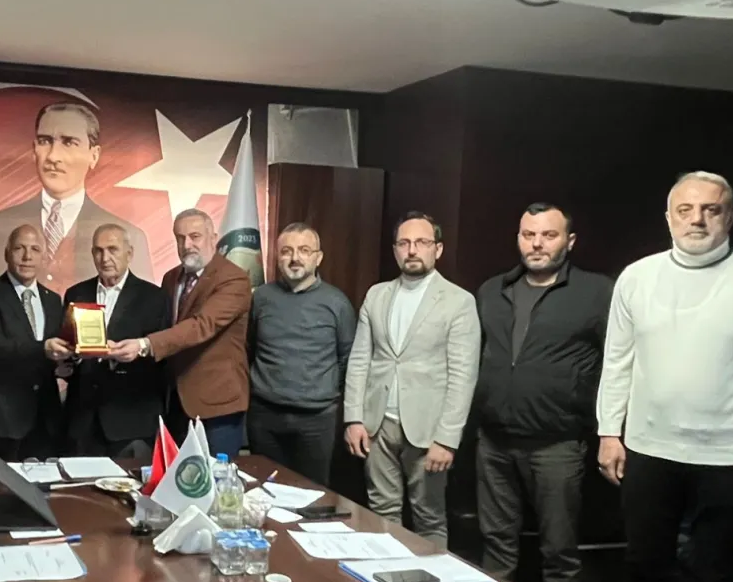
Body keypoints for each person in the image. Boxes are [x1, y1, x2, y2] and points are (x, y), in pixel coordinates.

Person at [597, 171, 733, 582]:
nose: (697, 219)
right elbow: (617, 360)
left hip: (726, 455)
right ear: (668, 218)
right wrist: (609, 431)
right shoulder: (638, 276)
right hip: (649, 448)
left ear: (729, 217)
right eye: (685, 210)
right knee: (644, 569)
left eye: (711, 209)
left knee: (719, 579)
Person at [475, 203, 611, 582]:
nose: (536, 243)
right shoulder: (492, 290)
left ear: (570, 241)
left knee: (559, 550)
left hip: (557, 444)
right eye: (528, 234)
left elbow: (620, 362)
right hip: (494, 441)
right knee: (496, 544)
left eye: (548, 235)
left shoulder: (597, 293)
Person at [343, 211, 480, 550]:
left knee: (429, 517)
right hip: (377, 426)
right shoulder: (377, 295)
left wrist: (447, 439)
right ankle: (384, 577)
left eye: (421, 242)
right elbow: (360, 359)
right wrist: (353, 418)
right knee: (381, 511)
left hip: (428, 431)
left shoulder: (459, 301)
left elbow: (463, 376)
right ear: (395, 250)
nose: (412, 250)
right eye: (404, 243)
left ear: (438, 249)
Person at [107, 209, 251, 458]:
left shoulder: (234, 279)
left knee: (212, 478)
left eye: (195, 236)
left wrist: (143, 345)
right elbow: (165, 327)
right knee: (174, 477)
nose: (186, 245)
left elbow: (201, 325)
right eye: (180, 238)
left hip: (217, 405)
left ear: (213, 238)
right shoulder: (172, 278)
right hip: (175, 402)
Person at [0, 102, 151, 291]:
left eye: (69, 143)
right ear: (34, 150)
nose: (53, 156)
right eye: (45, 141)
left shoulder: (132, 237)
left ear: (94, 155)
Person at [247, 223, 355, 486]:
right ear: (277, 257)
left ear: (318, 258)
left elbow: (347, 359)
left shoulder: (337, 303)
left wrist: (320, 390)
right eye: (287, 251)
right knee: (264, 492)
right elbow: (250, 346)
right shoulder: (261, 297)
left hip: (316, 421)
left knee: (311, 494)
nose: (295, 258)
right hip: (265, 416)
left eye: (304, 250)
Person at [55, 224, 169, 460]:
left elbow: (163, 358)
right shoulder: (76, 293)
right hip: (82, 421)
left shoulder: (154, 297)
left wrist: (126, 355)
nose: (105, 258)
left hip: (131, 422)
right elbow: (71, 347)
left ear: (129, 253)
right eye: (98, 251)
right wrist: (68, 361)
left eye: (112, 249)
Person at [0, 225, 64, 461]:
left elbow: (54, 354)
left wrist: (66, 363)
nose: (27, 256)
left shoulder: (53, 300)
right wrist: (43, 349)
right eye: (20, 248)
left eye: (35, 249)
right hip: (0, 419)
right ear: (6, 253)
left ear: (44, 257)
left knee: (45, 484)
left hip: (44, 420)